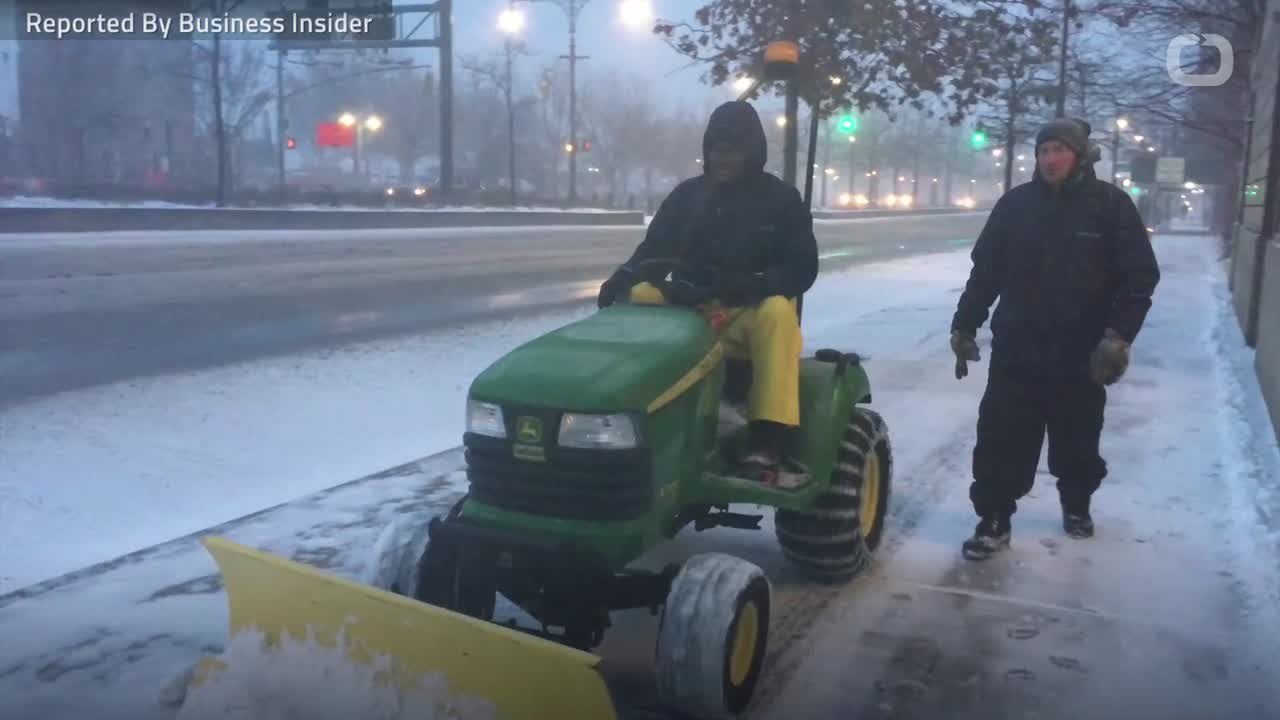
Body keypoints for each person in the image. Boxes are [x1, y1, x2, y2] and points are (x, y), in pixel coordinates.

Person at [950, 117, 1161, 560]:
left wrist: (1118, 337)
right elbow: (985, 272)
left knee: (1078, 439)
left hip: (1081, 353)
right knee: (1001, 439)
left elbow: (1140, 277)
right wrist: (964, 324)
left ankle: (1077, 502)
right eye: (1043, 151)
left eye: (1059, 150)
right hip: (1017, 348)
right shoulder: (1015, 206)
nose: (1050, 159)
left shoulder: (1110, 206)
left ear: (1079, 155)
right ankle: (993, 519)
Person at [596, 100, 819, 485]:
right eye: (717, 149)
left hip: (744, 312)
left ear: (752, 152)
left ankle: (767, 439)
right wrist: (625, 277)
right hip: (686, 308)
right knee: (641, 296)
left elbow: (802, 268)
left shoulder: (780, 200)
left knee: (778, 313)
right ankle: (617, 412)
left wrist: (757, 283)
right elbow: (653, 249)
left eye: (733, 150)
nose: (723, 158)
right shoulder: (688, 197)